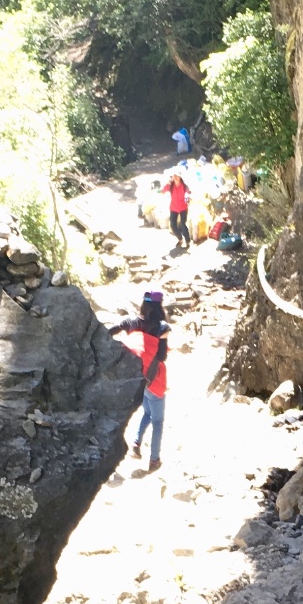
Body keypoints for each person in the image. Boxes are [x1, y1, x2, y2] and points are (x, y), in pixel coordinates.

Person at [114, 288, 168, 470]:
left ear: (143, 305)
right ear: (160, 306)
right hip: (154, 379)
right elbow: (161, 356)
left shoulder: (130, 322)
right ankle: (154, 460)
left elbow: (108, 332)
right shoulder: (162, 328)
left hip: (136, 378)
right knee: (158, 420)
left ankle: (136, 444)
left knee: (147, 412)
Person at [163, 167, 191, 249]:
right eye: (174, 176)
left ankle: (188, 241)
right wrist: (168, 183)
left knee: (183, 224)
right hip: (174, 208)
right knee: (173, 225)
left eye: (177, 176)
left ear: (180, 177)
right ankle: (180, 238)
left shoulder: (184, 186)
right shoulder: (171, 186)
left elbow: (189, 194)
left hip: (183, 207)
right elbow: (163, 191)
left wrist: (188, 198)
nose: (175, 177)